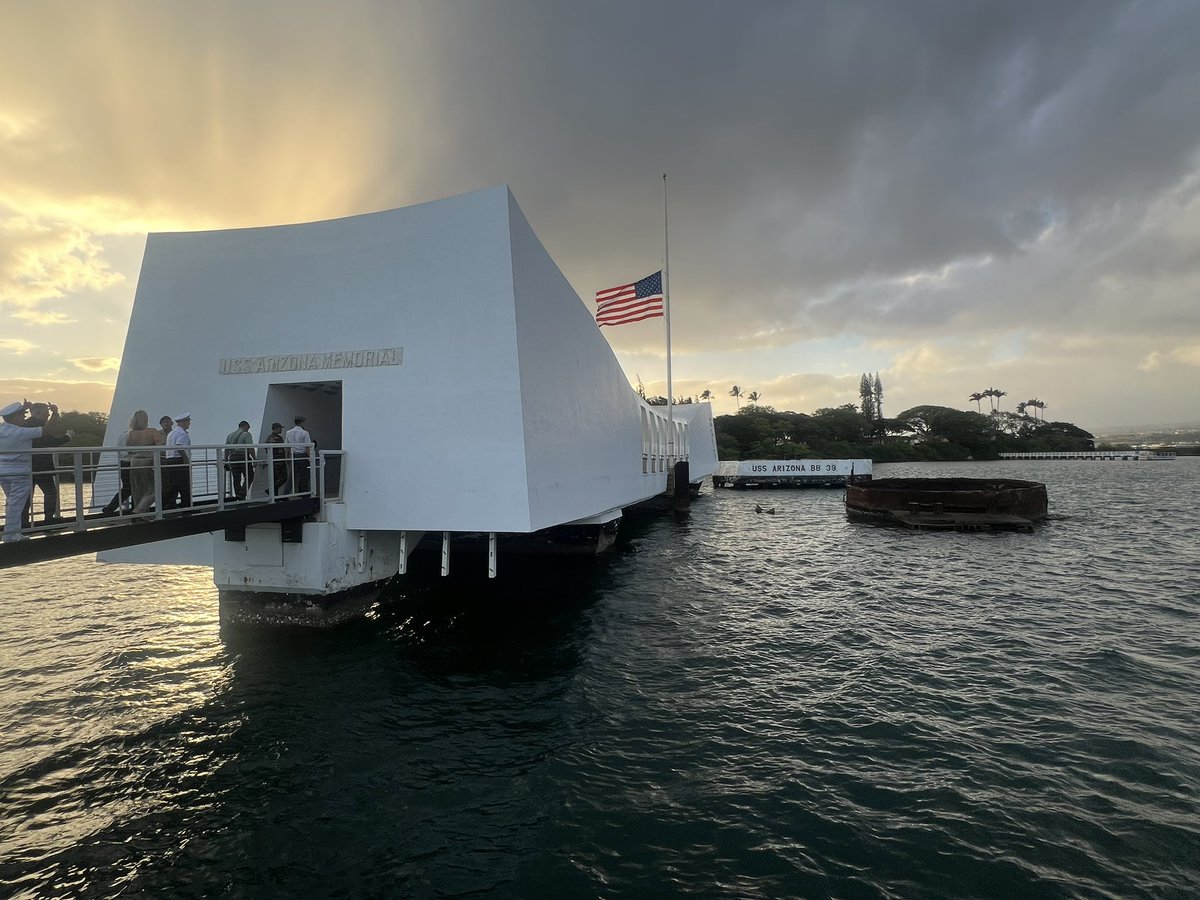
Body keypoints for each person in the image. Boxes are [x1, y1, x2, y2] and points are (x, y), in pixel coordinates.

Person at [1, 400, 66, 542]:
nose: (24, 418)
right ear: (14, 417)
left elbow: (21, 422)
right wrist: (54, 414)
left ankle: (14, 531)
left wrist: (24, 409)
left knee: (12, 502)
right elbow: (45, 430)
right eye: (21, 415)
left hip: (3, 472)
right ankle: (10, 535)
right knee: (16, 504)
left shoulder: (2, 429)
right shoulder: (19, 432)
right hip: (19, 472)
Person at [25, 402, 73, 525]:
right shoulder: (39, 425)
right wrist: (68, 436)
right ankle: (49, 519)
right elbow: (51, 441)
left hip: (27, 465)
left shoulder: (25, 424)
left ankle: (23, 521)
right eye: (46, 413)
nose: (47, 416)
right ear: (38, 413)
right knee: (50, 492)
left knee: (27, 495)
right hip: (41, 466)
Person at [126, 409, 166, 515]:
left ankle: (142, 514)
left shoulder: (131, 434)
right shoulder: (152, 431)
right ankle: (139, 510)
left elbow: (129, 450)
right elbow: (161, 445)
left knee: (138, 489)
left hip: (134, 462)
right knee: (155, 489)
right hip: (148, 462)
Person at [100, 427, 133, 515]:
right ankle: (110, 508)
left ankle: (110, 508)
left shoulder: (122, 435)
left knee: (128, 488)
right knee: (131, 488)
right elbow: (131, 451)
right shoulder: (132, 436)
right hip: (131, 463)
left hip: (123, 463)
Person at [163, 413, 193, 510]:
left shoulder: (172, 433)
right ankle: (186, 507)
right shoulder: (182, 434)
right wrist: (186, 459)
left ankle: (167, 505)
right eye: (188, 421)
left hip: (169, 460)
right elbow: (179, 446)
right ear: (184, 422)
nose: (189, 423)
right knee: (185, 486)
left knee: (172, 485)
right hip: (179, 461)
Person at [223, 420, 255, 500]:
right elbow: (250, 448)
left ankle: (239, 496)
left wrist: (226, 461)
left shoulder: (230, 435)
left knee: (236, 478)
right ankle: (242, 493)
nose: (248, 429)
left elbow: (226, 449)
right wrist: (255, 459)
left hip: (233, 459)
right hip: (243, 458)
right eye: (248, 427)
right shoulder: (246, 434)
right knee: (250, 476)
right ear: (244, 426)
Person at [284, 415, 313, 495]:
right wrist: (310, 457)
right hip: (302, 456)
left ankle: (285, 494)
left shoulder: (288, 432)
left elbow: (287, 446)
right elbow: (307, 446)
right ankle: (304, 493)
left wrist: (287, 457)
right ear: (302, 422)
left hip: (293, 456)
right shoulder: (305, 433)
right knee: (304, 476)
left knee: (291, 476)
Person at [265, 422, 287, 496]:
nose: (281, 430)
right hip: (278, 461)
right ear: (277, 428)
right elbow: (267, 447)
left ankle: (275, 495)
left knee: (276, 479)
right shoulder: (274, 437)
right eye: (280, 428)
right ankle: (272, 490)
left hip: (275, 461)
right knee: (283, 478)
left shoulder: (271, 437)